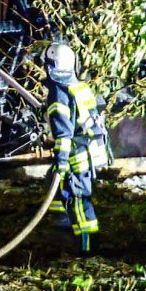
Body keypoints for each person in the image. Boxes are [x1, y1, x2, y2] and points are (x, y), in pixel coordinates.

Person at [43, 42, 102, 255]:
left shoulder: (59, 94)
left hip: (75, 155)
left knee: (78, 199)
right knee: (60, 190)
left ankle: (86, 248)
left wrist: (60, 160)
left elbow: (64, 133)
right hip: (89, 151)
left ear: (49, 66)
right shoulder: (78, 86)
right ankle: (63, 232)